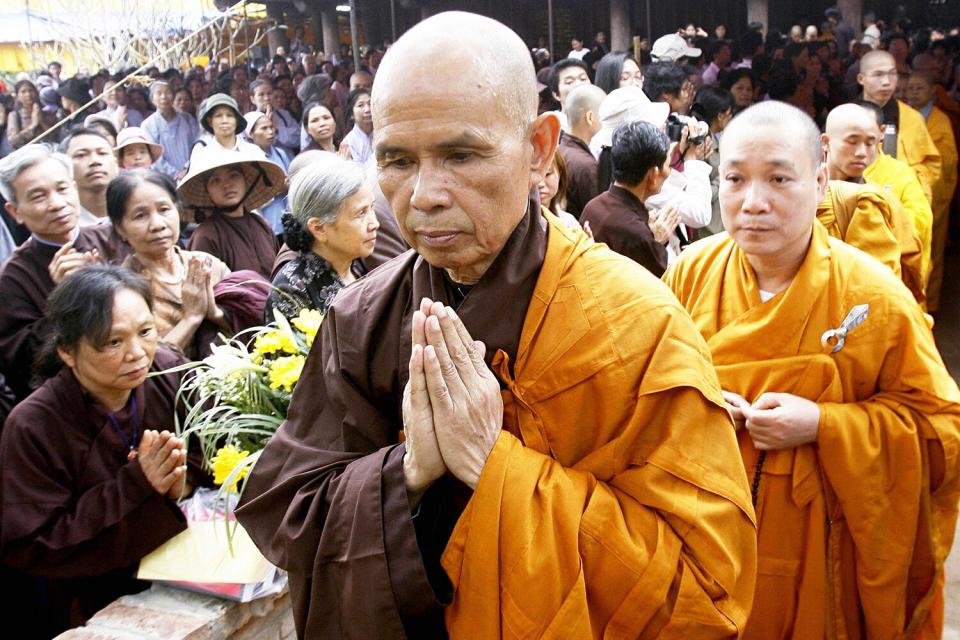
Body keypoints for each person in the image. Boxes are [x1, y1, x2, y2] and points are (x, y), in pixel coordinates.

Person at [236, 12, 756, 638]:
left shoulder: (634, 323)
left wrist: (493, 465)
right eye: (397, 161)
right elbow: (283, 511)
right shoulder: (360, 317)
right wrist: (409, 471)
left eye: (461, 154)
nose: (424, 195)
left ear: (540, 148)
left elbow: (705, 589)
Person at [664, 101, 960, 639]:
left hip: (821, 552)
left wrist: (824, 425)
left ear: (821, 180)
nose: (754, 203)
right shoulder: (687, 276)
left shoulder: (874, 297)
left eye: (779, 178)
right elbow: (642, 394)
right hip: (707, 537)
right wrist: (698, 408)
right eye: (735, 179)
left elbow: (940, 429)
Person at [0, 265, 201, 635]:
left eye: (146, 331)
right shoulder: (33, 426)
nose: (138, 353)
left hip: (187, 566)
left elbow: (218, 448)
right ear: (67, 351)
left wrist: (181, 482)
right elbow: (34, 543)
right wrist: (137, 484)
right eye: (113, 342)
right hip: (92, 596)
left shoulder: (167, 370)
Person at [0, 145, 129, 403]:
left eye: (62, 189)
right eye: (38, 197)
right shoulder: (13, 278)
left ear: (74, 187)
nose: (57, 204)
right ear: (16, 212)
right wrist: (65, 298)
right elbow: (25, 368)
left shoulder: (114, 237)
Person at [107, 171, 232, 356]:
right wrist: (191, 318)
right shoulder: (121, 292)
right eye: (140, 215)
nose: (157, 224)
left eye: (164, 209)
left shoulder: (210, 265)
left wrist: (214, 312)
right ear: (120, 228)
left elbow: (252, 329)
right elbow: (143, 362)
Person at [822, 103, 926, 301]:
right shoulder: (802, 197)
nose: (862, 152)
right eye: (852, 142)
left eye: (870, 143)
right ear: (826, 142)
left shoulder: (883, 202)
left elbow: (907, 266)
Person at [267, 154, 378, 321]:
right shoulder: (292, 288)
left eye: (372, 208)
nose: (374, 223)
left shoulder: (357, 264)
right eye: (360, 213)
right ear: (319, 228)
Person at [581, 121, 677, 276]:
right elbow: (652, 286)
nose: (669, 172)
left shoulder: (593, 206)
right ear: (653, 174)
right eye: (668, 165)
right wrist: (655, 243)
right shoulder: (636, 234)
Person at [858, 101, 935, 286]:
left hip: (890, 277)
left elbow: (921, 220)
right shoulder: (829, 174)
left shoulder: (900, 174)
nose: (859, 140)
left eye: (867, 131)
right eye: (851, 133)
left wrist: (875, 225)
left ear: (882, 132)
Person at [179, 150, 283, 278]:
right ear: (207, 191)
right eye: (215, 180)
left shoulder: (262, 224)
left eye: (233, 175)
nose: (227, 185)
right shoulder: (205, 236)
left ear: (245, 181)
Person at [858, 50, 942, 204]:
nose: (886, 81)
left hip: (903, 205)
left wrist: (910, 184)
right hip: (856, 202)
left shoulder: (912, 118)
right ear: (861, 78)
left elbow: (931, 165)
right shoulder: (844, 117)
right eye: (878, 75)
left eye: (892, 74)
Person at [905, 71, 958, 312]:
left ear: (932, 91)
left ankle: (931, 304)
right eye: (911, 88)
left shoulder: (940, 120)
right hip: (905, 190)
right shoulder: (902, 117)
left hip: (931, 191)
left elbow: (946, 159)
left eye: (919, 87)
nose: (914, 92)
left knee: (931, 251)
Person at [691, 86, 734, 236]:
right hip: (706, 229)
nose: (731, 119)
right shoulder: (702, 144)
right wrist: (724, 176)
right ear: (720, 116)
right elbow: (700, 192)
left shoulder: (716, 139)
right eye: (729, 114)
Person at [557, 84, 604, 218]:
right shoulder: (586, 166)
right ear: (590, 117)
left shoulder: (561, 149)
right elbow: (596, 217)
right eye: (603, 115)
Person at [244, 111, 292, 236]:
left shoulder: (281, 154)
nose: (270, 132)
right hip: (266, 226)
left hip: (287, 223)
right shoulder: (248, 161)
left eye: (271, 127)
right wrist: (276, 190)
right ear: (251, 133)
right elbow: (248, 199)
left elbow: (291, 180)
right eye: (264, 128)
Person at [60, 128, 119, 226]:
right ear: (63, 167)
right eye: (81, 155)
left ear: (116, 164)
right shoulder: (61, 226)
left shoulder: (135, 214)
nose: (95, 161)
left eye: (102, 153)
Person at [141, 81, 199, 178]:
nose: (164, 97)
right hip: (164, 178)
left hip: (191, 173)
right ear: (152, 99)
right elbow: (153, 155)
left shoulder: (187, 119)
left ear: (173, 96)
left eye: (167, 92)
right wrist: (175, 174)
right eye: (159, 93)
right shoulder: (148, 125)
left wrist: (187, 168)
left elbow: (198, 145)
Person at [190, 94, 263, 165]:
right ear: (210, 121)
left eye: (229, 115)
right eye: (218, 116)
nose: (225, 120)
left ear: (237, 120)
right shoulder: (202, 156)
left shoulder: (253, 152)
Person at [250, 78, 300, 154]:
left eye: (269, 93)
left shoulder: (284, 115)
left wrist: (277, 129)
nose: (266, 98)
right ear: (253, 99)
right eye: (261, 95)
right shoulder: (250, 120)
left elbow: (297, 138)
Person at [6, 80, 47, 149]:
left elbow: (54, 135)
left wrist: (41, 121)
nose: (28, 94)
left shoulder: (45, 112)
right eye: (23, 92)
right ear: (17, 96)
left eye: (31, 90)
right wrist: (33, 125)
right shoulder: (14, 115)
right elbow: (13, 140)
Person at [339, 88, 374, 166]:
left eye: (370, 103)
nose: (367, 109)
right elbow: (358, 172)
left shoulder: (380, 134)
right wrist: (376, 153)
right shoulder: (348, 143)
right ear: (351, 114)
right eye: (360, 105)